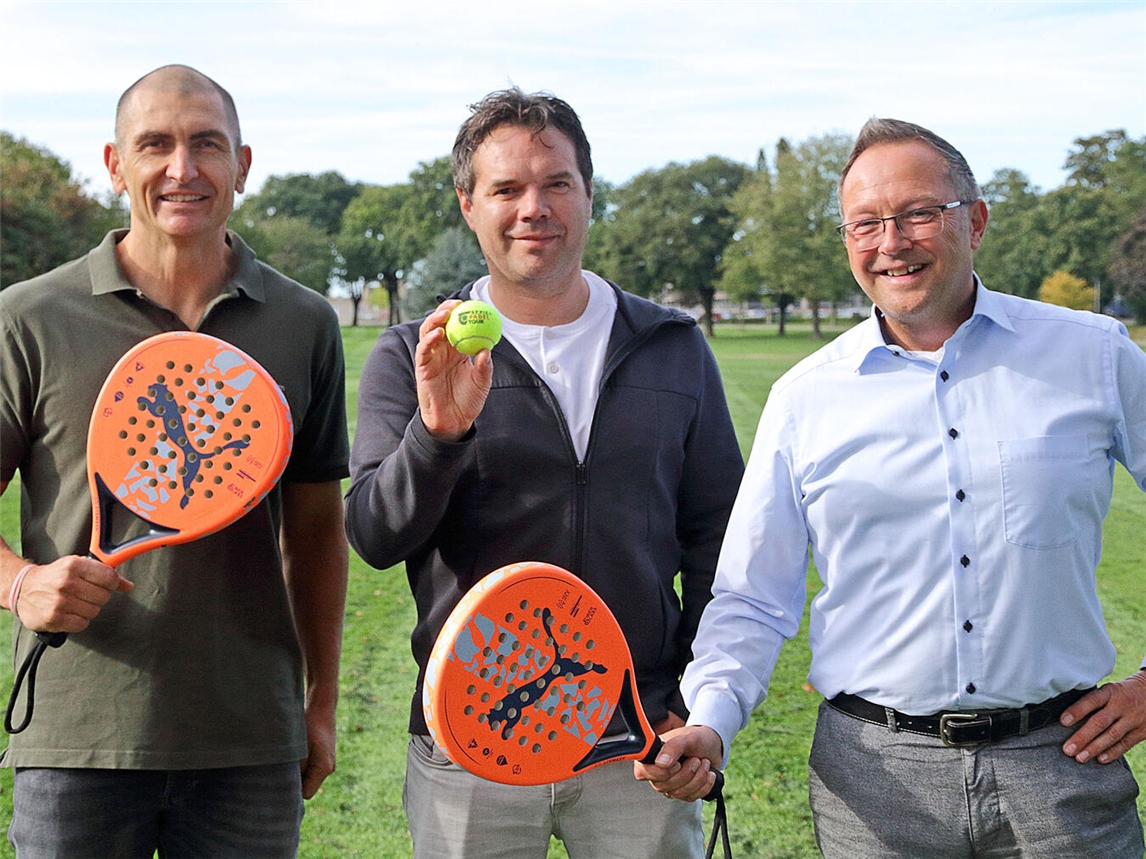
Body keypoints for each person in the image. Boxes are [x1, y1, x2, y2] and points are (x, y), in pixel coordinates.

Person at [637, 118, 1146, 857]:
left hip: (1061, 765)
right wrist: (710, 721)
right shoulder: (805, 397)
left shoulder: (1092, 354)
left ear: (975, 220)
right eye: (866, 223)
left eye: (918, 213)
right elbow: (752, 596)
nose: (891, 242)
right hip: (874, 784)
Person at [344, 87, 744, 859]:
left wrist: (691, 700)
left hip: (637, 735)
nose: (535, 208)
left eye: (557, 183)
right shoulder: (414, 352)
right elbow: (374, 535)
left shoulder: (671, 345)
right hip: (472, 735)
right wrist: (438, 433)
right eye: (507, 188)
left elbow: (718, 541)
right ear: (469, 205)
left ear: (589, 193)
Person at [0, 65, 349, 857]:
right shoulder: (29, 317)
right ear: (115, 164)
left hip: (249, 742)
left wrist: (322, 702)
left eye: (207, 144)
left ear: (243, 165)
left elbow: (316, 532)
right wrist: (21, 584)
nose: (181, 168)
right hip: (78, 738)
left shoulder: (303, 322)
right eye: (154, 144)